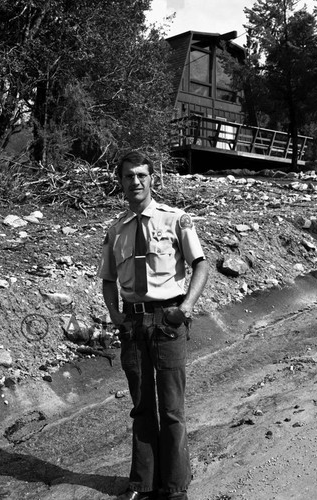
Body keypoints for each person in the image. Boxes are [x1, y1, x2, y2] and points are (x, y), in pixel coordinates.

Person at [99, 150, 209, 500]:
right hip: (133, 325)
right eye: (129, 176)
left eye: (142, 175)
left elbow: (201, 265)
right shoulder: (116, 229)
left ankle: (175, 487)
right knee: (142, 406)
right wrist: (115, 314)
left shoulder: (176, 219)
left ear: (152, 179)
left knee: (172, 408)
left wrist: (187, 306)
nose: (136, 182)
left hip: (168, 322)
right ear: (121, 182)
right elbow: (107, 278)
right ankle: (143, 483)